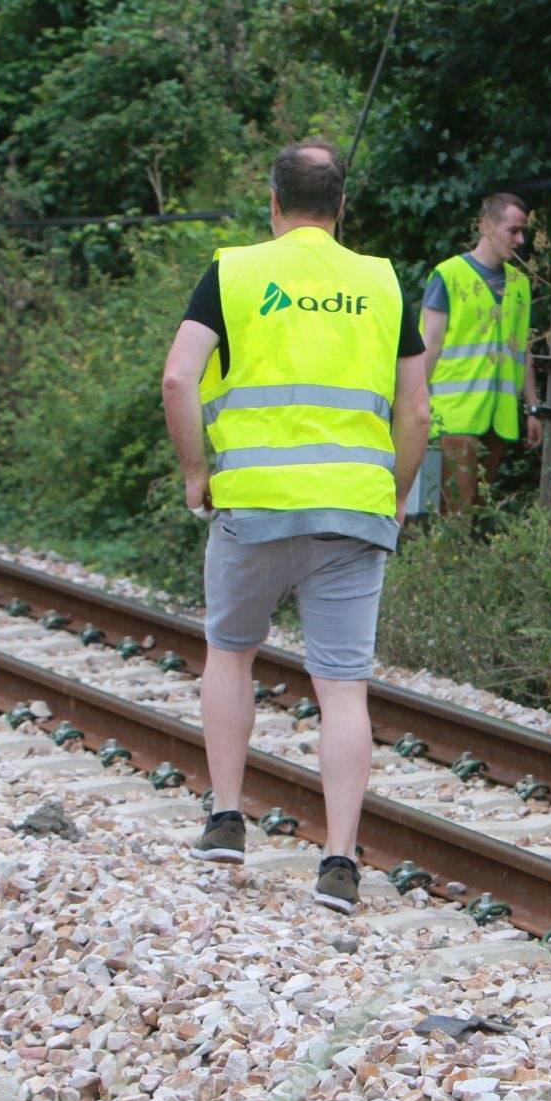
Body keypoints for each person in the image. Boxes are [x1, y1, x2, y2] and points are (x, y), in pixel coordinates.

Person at [161, 139, 431, 913]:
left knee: (231, 650)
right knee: (343, 689)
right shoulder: (382, 282)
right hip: (353, 510)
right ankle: (340, 863)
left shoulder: (234, 272)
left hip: (251, 507)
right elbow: (415, 408)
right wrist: (398, 490)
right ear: (341, 208)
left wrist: (195, 472)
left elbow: (179, 376)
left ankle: (223, 819)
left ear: (272, 203)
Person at [421, 192, 542, 511]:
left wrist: (532, 409)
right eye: (513, 230)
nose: (520, 239)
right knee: (456, 508)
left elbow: (523, 350)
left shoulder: (519, 283)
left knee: (474, 507)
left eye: (523, 231)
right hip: (456, 414)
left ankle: (455, 561)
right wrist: (414, 404)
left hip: (498, 418)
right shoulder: (449, 276)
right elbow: (429, 344)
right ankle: (448, 560)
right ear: (487, 226)